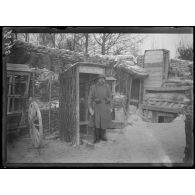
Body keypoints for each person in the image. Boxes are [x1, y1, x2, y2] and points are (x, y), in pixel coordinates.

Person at [88, 74, 112, 143]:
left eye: (103, 79)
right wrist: (92, 103)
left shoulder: (107, 87)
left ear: (104, 80)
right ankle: (96, 138)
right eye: (100, 79)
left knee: (103, 121)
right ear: (97, 80)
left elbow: (110, 97)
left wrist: (107, 100)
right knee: (96, 122)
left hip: (105, 107)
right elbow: (90, 97)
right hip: (96, 107)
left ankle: (103, 136)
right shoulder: (93, 87)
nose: (102, 80)